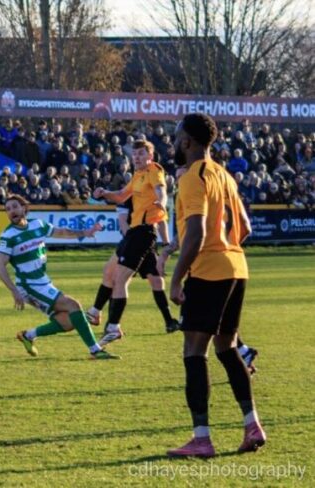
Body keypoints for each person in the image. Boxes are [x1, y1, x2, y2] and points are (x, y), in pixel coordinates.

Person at [166, 113, 265, 458]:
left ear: (188, 142)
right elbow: (246, 228)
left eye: (177, 137)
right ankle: (252, 425)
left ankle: (202, 438)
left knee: (195, 351)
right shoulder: (223, 174)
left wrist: (177, 278)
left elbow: (196, 233)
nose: (175, 142)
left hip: (208, 270)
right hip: (236, 267)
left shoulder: (194, 177)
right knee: (227, 348)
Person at [0, 195, 119, 360]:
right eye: (8, 209)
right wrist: (14, 291)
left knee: (68, 322)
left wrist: (85, 232)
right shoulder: (8, 236)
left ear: (24, 208)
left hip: (43, 282)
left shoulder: (37, 224)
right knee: (74, 305)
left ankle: (28, 335)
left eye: (15, 206)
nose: (12, 211)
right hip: (29, 285)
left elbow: (61, 232)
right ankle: (95, 350)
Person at [91, 140, 168, 346]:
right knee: (112, 273)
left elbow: (161, 189)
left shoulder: (154, 170)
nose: (137, 157)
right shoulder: (137, 175)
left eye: (141, 154)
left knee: (121, 279)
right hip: (134, 233)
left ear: (150, 156)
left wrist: (162, 201)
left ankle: (113, 326)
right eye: (135, 154)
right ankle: (99, 315)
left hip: (143, 232)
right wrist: (105, 193)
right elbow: (122, 195)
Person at [86, 195, 179, 334]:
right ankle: (109, 322)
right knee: (120, 280)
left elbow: (161, 221)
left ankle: (169, 322)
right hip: (133, 243)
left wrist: (166, 244)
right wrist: (132, 241)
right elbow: (123, 222)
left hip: (147, 245)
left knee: (157, 281)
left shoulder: (152, 198)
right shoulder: (127, 197)